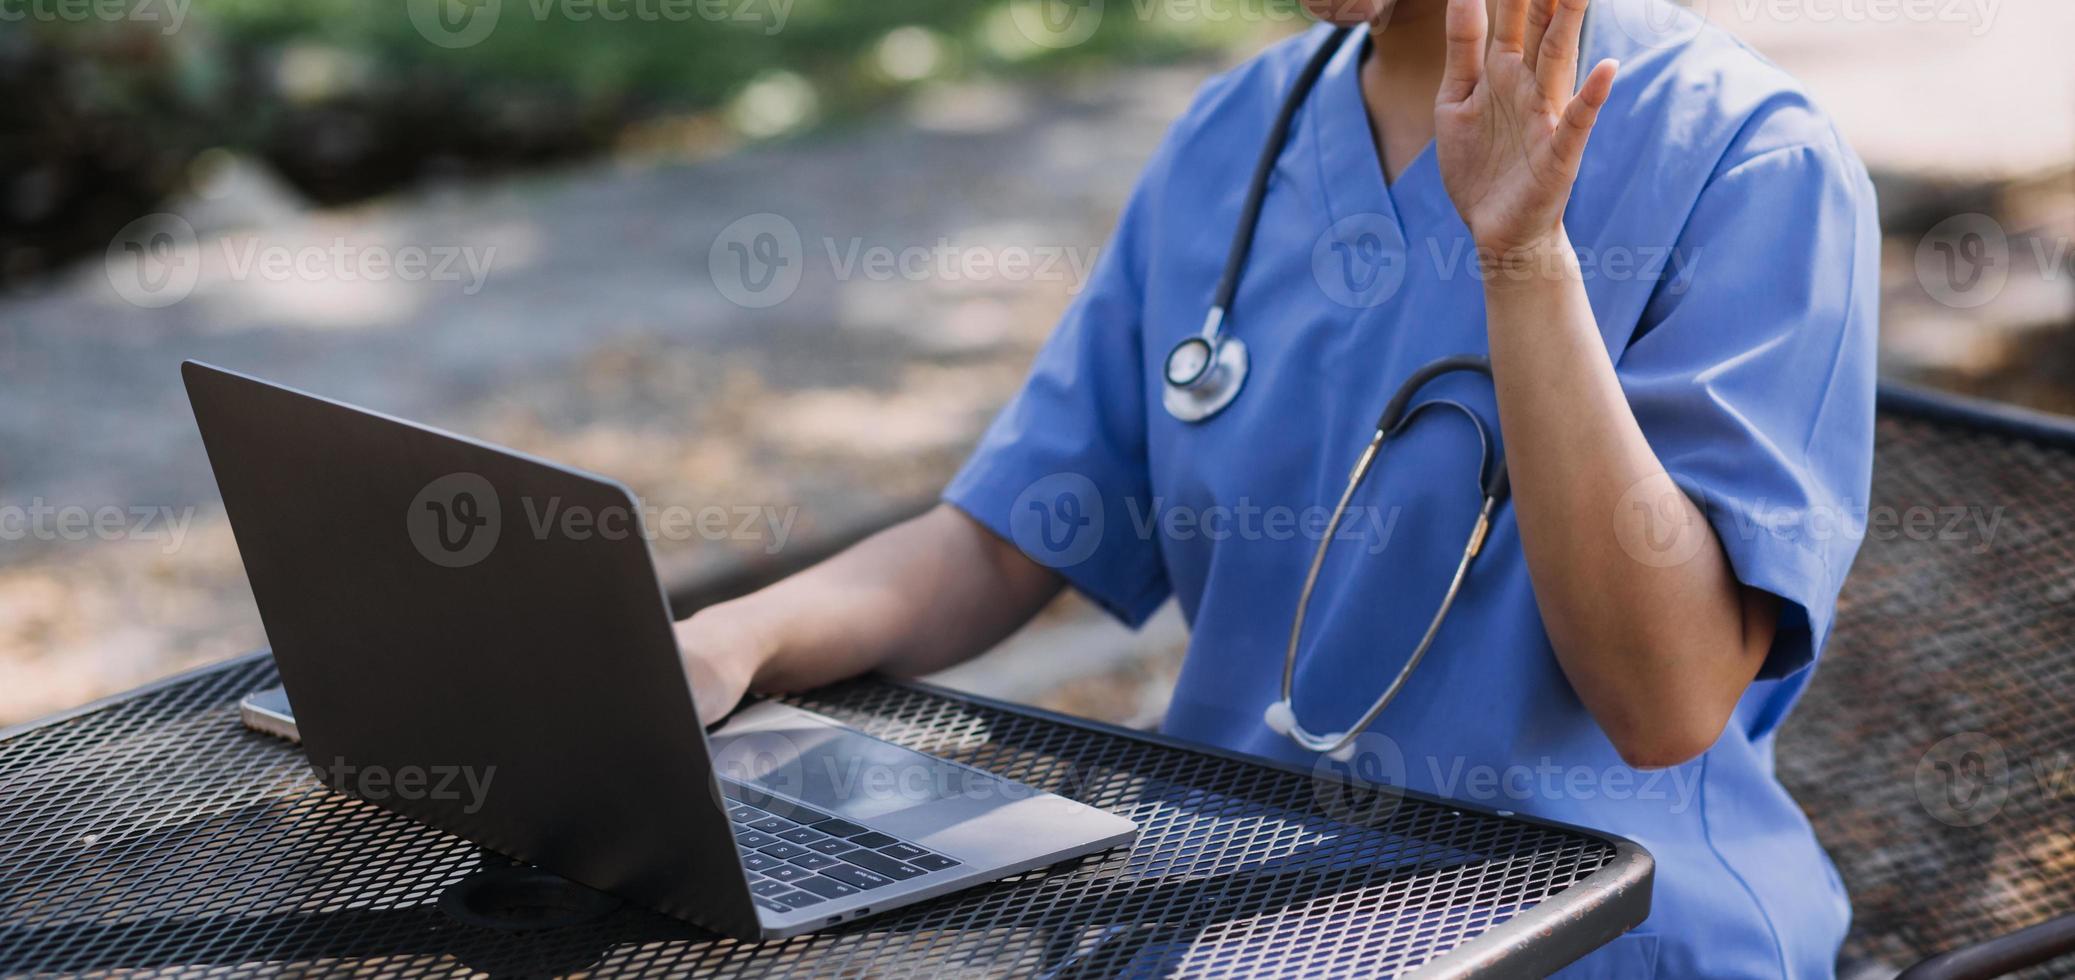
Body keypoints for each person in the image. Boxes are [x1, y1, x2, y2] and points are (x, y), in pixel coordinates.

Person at [678, 0, 1878, 973]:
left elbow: (1661, 703)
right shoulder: (1235, 132)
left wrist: (1521, 261)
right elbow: (1003, 538)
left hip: (1597, 935)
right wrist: (727, 641)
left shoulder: (1743, 156)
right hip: (1219, 910)